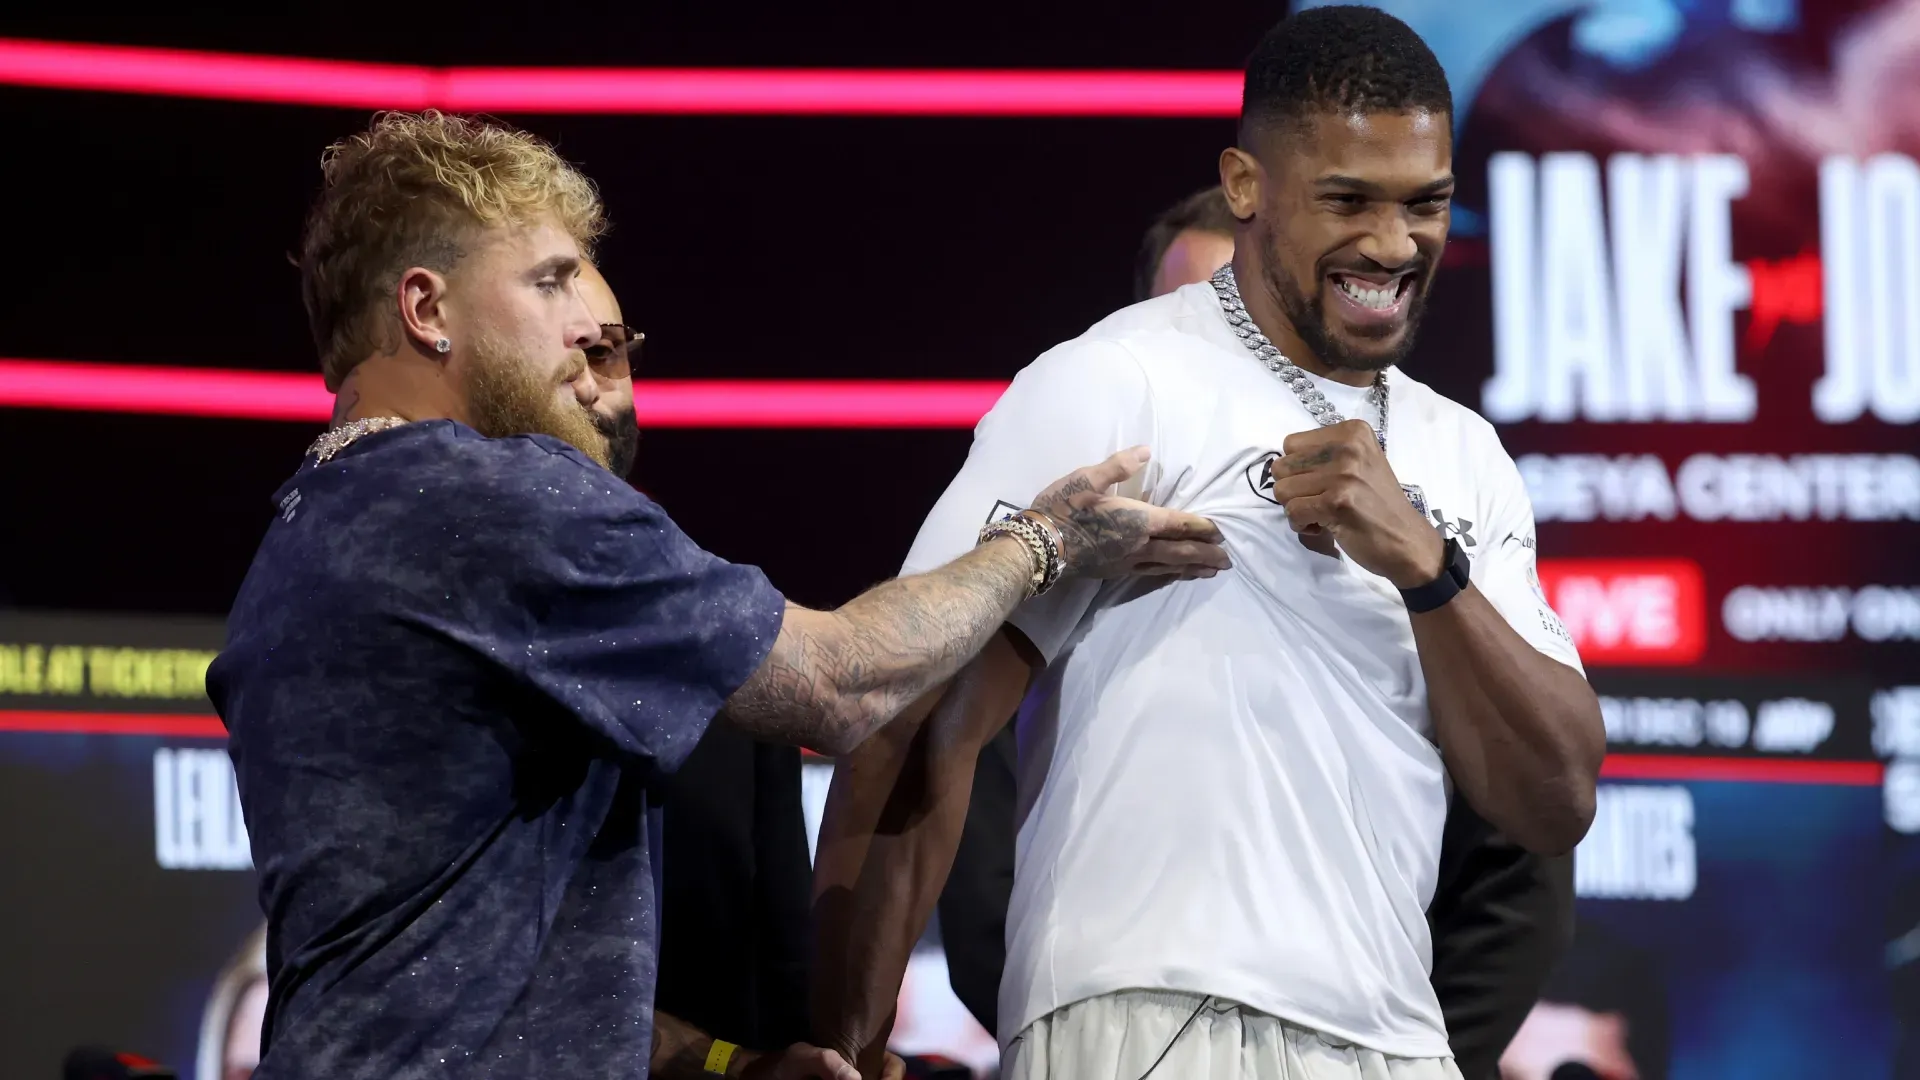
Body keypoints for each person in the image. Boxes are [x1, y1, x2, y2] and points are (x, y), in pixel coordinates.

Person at [205, 110, 1229, 1080]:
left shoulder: (303, 538)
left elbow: (456, 968)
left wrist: (725, 1064)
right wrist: (1042, 541)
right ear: (427, 310)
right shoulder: (490, 494)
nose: (591, 318)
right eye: (552, 281)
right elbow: (838, 685)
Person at [810, 9, 1605, 1080]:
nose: (1393, 242)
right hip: (1146, 1011)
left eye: (1426, 202)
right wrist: (843, 1045)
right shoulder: (1115, 383)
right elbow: (908, 725)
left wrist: (1426, 564)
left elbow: (1553, 799)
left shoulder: (1464, 457)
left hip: (1396, 1043)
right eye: (1347, 200)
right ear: (1245, 186)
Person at [938, 184, 1576, 1079]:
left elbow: (1528, 854)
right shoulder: (1088, 443)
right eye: (1206, 316)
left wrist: (1416, 1054)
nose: (1233, 350)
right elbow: (943, 771)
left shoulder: (1451, 472)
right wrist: (1057, 1020)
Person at [573, 264, 902, 1077]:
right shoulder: (423, 618)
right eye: (565, 354)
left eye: (608, 353)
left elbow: (778, 963)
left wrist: (795, 1062)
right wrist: (1036, 545)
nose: (589, 386)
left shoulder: (719, 627)